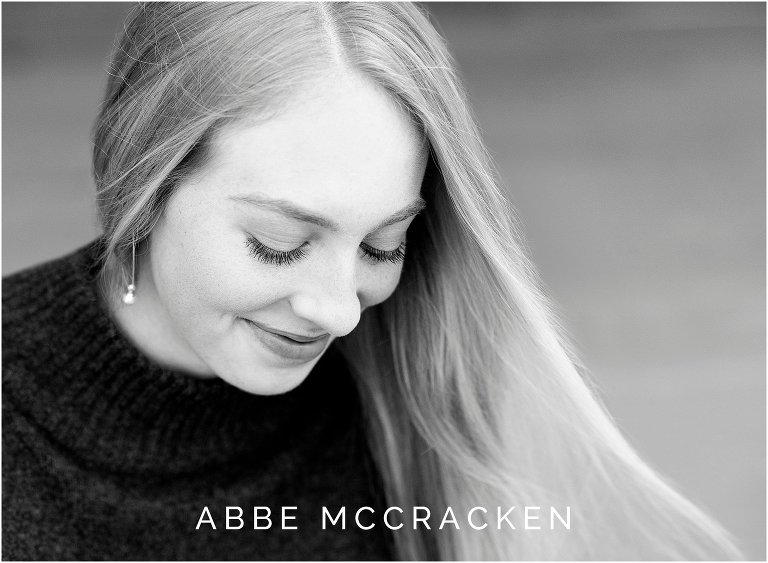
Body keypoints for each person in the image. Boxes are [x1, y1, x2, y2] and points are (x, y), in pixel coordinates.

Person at [2, 2, 744, 560]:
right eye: (279, 244)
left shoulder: (403, 384)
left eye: (383, 246)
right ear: (145, 187)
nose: (338, 312)